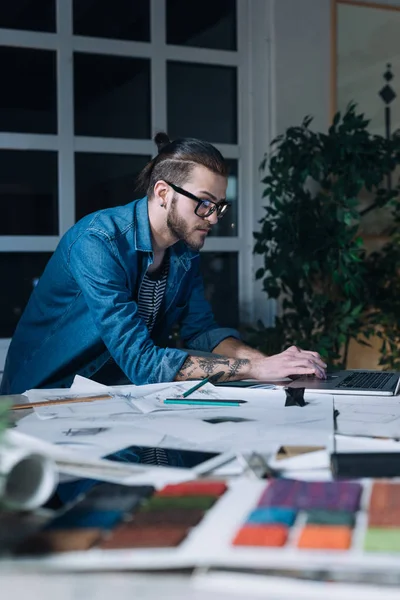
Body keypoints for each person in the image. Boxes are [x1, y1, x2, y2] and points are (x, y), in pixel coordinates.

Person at [1, 133, 326, 395]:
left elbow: (203, 332)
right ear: (162, 192)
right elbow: (142, 363)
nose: (212, 218)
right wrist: (255, 370)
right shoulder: (97, 242)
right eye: (203, 203)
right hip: (41, 399)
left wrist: (268, 362)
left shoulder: (184, 251)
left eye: (219, 207)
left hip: (114, 395)